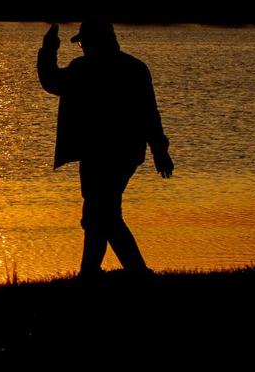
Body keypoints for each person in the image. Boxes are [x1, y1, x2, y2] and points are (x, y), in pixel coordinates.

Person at [37, 19, 174, 278]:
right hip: (126, 153)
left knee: (103, 213)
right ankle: (92, 272)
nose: (83, 48)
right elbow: (150, 115)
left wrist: (48, 50)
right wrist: (159, 150)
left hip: (98, 153)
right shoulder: (136, 68)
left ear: (93, 42)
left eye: (84, 42)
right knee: (99, 211)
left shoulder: (83, 69)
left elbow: (52, 81)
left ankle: (134, 272)